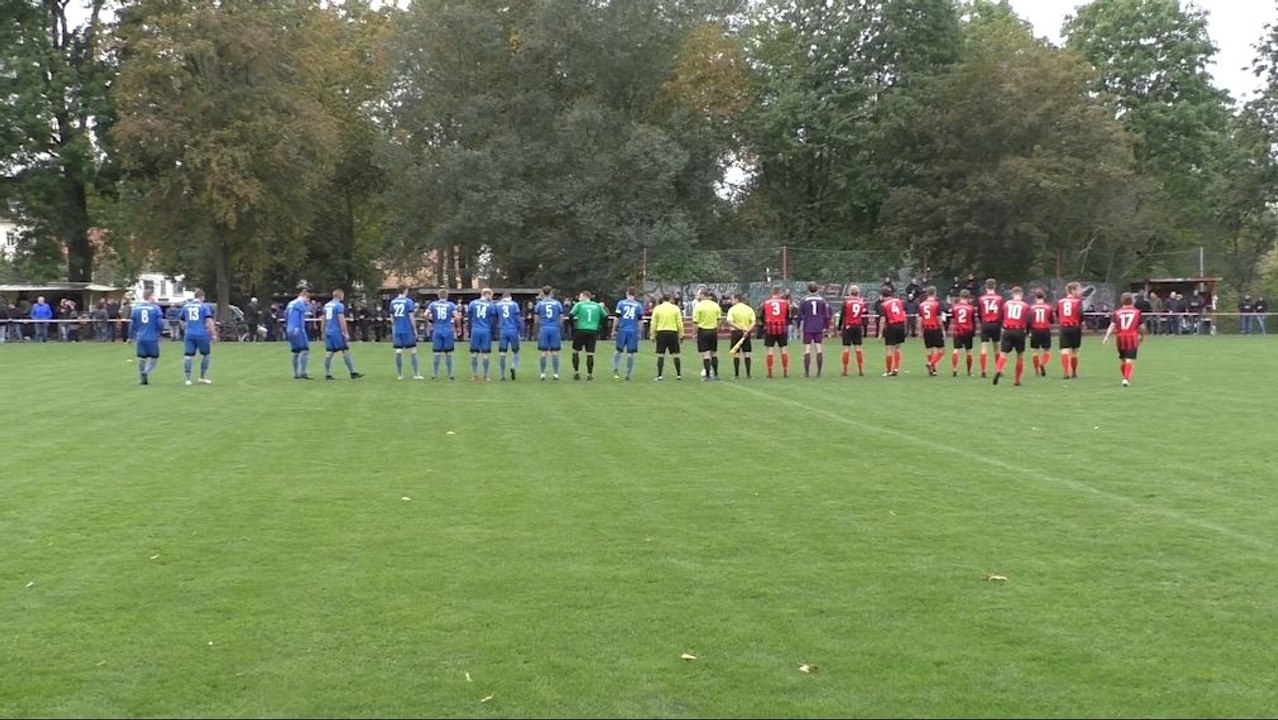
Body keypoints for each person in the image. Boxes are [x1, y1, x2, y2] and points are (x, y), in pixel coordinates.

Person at [321, 289, 363, 380]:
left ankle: (327, 374)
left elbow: (323, 319)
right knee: (345, 351)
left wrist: (323, 331)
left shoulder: (326, 305)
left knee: (329, 353)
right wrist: (345, 332)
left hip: (328, 332)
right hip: (337, 332)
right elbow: (341, 320)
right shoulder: (339, 306)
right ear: (340, 295)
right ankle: (352, 372)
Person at [1103, 292, 1143, 387]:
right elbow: (1142, 326)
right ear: (1132, 301)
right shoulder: (1137, 312)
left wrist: (1107, 336)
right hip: (1131, 337)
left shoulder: (1117, 312)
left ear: (1121, 301)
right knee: (1129, 359)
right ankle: (1126, 378)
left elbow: (1112, 325)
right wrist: (1141, 335)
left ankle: (1125, 377)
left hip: (1120, 338)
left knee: (1123, 359)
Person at [992, 286, 1029, 387]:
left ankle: (999, 369)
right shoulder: (1025, 305)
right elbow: (1028, 319)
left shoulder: (1006, 304)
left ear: (1012, 294)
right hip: (1019, 331)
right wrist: (1028, 331)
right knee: (1020, 355)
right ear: (1022, 294)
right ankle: (1017, 380)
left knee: (1003, 354)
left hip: (1007, 330)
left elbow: (1001, 316)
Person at [568, 289, 606, 381]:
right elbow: (605, 316)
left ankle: (576, 372)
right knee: (590, 354)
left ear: (584, 296)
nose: (579, 298)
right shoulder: (597, 305)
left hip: (580, 330)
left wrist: (573, 327)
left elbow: (571, 315)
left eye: (580, 296)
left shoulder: (579, 305)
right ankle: (589, 374)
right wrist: (599, 327)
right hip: (592, 331)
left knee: (575, 351)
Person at [180, 289, 216, 386]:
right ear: (202, 297)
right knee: (206, 354)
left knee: (188, 356)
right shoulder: (204, 307)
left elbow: (182, 321)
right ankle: (202, 377)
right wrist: (213, 334)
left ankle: (188, 379)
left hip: (189, 334)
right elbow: (209, 321)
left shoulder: (186, 306)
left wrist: (186, 330)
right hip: (201, 334)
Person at [130, 289, 165, 385]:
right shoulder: (155, 308)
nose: (154, 297)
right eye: (153, 295)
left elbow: (132, 324)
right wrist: (160, 332)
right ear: (150, 296)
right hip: (152, 337)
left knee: (141, 358)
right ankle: (146, 372)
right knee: (154, 357)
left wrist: (131, 336)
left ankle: (142, 378)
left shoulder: (136, 308)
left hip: (140, 337)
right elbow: (159, 323)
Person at [797, 282, 831, 377]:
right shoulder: (822, 300)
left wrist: (798, 326)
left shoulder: (804, 300)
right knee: (819, 348)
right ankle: (819, 372)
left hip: (808, 327)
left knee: (807, 349)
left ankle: (807, 373)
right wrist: (826, 327)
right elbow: (826, 315)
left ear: (808, 290)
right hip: (819, 327)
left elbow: (800, 315)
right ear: (817, 289)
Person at [389, 285, 422, 380]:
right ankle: (416, 374)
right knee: (413, 351)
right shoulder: (408, 302)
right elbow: (411, 317)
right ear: (405, 290)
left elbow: (392, 318)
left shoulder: (393, 302)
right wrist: (415, 329)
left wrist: (395, 327)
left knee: (398, 351)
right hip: (407, 329)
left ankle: (400, 375)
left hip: (397, 330)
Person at [612, 287, 644, 381]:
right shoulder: (638, 305)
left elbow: (616, 317)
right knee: (630, 354)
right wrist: (639, 332)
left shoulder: (621, 303)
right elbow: (640, 321)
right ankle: (628, 373)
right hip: (633, 331)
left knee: (618, 351)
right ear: (635, 294)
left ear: (627, 293)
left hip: (622, 330)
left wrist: (613, 330)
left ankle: (615, 368)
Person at [649, 293, 683, 381]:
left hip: (661, 333)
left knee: (660, 354)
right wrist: (681, 334)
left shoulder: (657, 308)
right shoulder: (675, 308)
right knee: (675, 354)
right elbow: (679, 322)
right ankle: (678, 375)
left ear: (662, 299)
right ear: (670, 299)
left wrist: (652, 335)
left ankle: (660, 375)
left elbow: (653, 323)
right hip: (673, 332)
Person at [427, 290, 460, 380]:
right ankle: (450, 374)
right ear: (447, 296)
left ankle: (434, 374)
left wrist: (430, 321)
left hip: (437, 329)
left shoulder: (433, 304)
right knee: (448, 353)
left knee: (436, 353)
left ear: (438, 296)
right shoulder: (451, 305)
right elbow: (457, 317)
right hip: (448, 330)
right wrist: (458, 327)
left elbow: (425, 314)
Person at [533, 287, 565, 381]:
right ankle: (555, 374)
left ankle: (543, 374)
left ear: (543, 293)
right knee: (555, 352)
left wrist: (538, 327)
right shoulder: (557, 303)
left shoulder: (539, 304)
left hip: (544, 328)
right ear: (551, 293)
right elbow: (561, 317)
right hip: (554, 328)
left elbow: (536, 319)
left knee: (543, 352)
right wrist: (559, 326)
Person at [759, 287, 791, 378]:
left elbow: (761, 315)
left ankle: (770, 372)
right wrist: (785, 322)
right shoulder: (785, 303)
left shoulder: (766, 302)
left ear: (772, 293)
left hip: (770, 328)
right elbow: (788, 315)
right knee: (783, 350)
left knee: (770, 351)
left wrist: (765, 323)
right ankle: (785, 371)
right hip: (781, 327)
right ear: (779, 293)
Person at [692, 288, 722, 381]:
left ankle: (708, 375)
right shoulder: (715, 305)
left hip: (703, 331)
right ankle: (716, 374)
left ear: (702, 295)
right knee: (714, 353)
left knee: (705, 354)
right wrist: (717, 328)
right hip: (713, 331)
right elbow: (719, 319)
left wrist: (694, 333)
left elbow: (695, 322)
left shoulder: (698, 306)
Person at [467, 288, 497, 381]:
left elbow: (469, 318)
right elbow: (493, 320)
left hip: (475, 330)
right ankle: (486, 375)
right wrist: (493, 332)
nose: (491, 298)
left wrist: (469, 330)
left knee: (474, 353)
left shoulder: (472, 303)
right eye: (491, 295)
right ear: (487, 294)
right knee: (485, 354)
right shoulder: (491, 305)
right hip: (485, 330)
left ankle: (474, 374)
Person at [839, 286, 868, 377]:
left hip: (848, 326)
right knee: (858, 348)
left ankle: (845, 370)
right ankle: (860, 370)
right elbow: (864, 313)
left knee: (846, 349)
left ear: (849, 292)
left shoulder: (846, 302)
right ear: (858, 292)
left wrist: (839, 327)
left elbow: (842, 315)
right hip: (857, 326)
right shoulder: (861, 302)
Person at [1056, 282, 1084, 379]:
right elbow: (1081, 314)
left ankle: (1065, 372)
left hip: (1064, 327)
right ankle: (1074, 372)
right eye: (1079, 290)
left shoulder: (1060, 301)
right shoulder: (1078, 301)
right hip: (1075, 327)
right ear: (1073, 290)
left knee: (1064, 350)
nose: (1081, 292)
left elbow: (1057, 313)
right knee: (1074, 350)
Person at [725, 292, 756, 379]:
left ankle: (736, 374)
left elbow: (730, 321)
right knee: (747, 353)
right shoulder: (749, 309)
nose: (731, 301)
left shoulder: (732, 309)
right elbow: (753, 322)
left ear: (736, 299)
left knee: (736, 353)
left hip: (736, 332)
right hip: (746, 333)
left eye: (732, 299)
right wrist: (747, 330)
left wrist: (739, 327)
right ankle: (748, 374)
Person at [495, 291, 524, 381]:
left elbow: (495, 317)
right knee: (515, 351)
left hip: (503, 330)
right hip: (513, 329)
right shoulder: (514, 305)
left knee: (502, 353)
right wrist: (521, 332)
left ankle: (502, 375)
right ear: (510, 297)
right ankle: (513, 366)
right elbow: (518, 319)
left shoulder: (498, 305)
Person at [977, 279, 1003, 378]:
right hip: (996, 324)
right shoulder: (999, 298)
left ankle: (983, 370)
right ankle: (998, 369)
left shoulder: (981, 299)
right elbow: (1001, 313)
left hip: (985, 323)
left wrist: (982, 321)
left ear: (986, 286)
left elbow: (979, 313)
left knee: (984, 348)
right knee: (997, 348)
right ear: (995, 286)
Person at [879, 287, 907, 376]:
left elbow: (883, 320)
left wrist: (880, 333)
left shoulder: (883, 305)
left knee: (889, 348)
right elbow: (903, 314)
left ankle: (888, 370)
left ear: (882, 296)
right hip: (901, 325)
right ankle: (896, 369)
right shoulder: (899, 301)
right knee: (897, 348)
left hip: (891, 326)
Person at [286, 289, 313, 379]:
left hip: (289, 329)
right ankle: (303, 372)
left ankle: (296, 373)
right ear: (304, 296)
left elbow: (286, 316)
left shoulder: (290, 304)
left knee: (296, 351)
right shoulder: (300, 304)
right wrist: (298, 328)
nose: (307, 302)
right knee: (305, 350)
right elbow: (299, 318)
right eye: (308, 300)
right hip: (298, 329)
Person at [918, 287, 945, 376]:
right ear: (935, 293)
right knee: (940, 350)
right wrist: (943, 329)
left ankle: (933, 370)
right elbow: (938, 318)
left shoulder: (921, 305)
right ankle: (931, 364)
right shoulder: (937, 304)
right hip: (935, 328)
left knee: (929, 349)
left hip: (926, 329)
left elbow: (920, 319)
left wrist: (920, 330)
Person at [949, 289, 976, 377]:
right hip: (968, 330)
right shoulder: (971, 308)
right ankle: (969, 371)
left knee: (956, 349)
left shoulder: (955, 307)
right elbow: (973, 320)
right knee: (968, 351)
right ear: (968, 297)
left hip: (958, 330)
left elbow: (953, 317)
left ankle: (954, 369)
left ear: (960, 296)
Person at [1028, 289, 1054, 377]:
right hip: (1045, 330)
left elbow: (1028, 321)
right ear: (1044, 297)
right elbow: (1052, 320)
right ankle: (1042, 363)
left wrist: (1028, 331)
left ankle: (1036, 371)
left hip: (1035, 330)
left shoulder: (1031, 308)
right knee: (1047, 351)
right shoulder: (1048, 307)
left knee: (1035, 351)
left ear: (1035, 297)